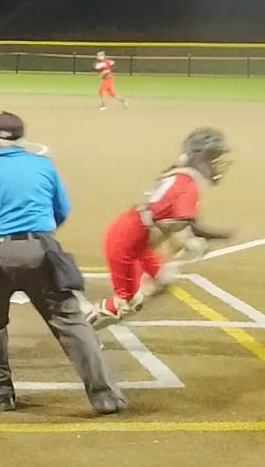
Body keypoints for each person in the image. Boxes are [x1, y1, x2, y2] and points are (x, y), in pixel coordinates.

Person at [0, 111, 126, 414]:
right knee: (70, 321)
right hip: (42, 248)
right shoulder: (43, 165)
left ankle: (1, 394)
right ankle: (105, 396)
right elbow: (61, 209)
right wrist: (41, 235)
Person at [92, 128, 235, 328]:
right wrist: (222, 235)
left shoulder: (181, 175)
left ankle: (137, 286)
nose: (216, 163)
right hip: (127, 242)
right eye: (213, 157)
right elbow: (191, 225)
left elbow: (171, 220)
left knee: (162, 278)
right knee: (126, 304)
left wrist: (188, 239)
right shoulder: (188, 184)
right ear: (199, 157)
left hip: (137, 236)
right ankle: (79, 327)